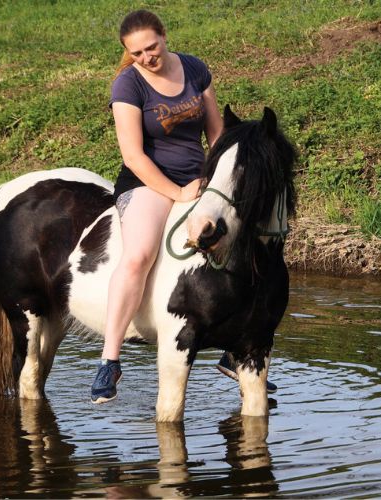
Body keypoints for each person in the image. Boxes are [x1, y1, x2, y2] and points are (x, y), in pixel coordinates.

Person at [91, 9, 276, 404]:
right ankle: (109, 359)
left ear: (164, 36)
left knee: (249, 243)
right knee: (139, 256)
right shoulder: (128, 85)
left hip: (200, 180)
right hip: (147, 184)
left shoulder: (193, 69)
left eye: (152, 47)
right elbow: (133, 156)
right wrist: (177, 193)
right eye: (137, 52)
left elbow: (217, 134)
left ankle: (236, 351)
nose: (147, 57)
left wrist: (218, 181)